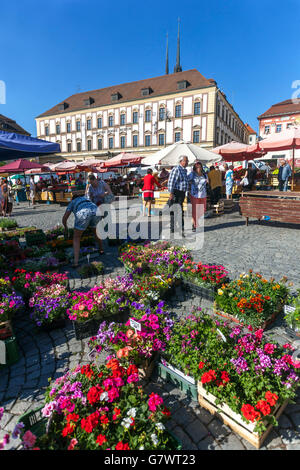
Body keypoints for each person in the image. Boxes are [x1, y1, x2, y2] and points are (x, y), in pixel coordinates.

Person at [62, 195, 104, 267]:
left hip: (83, 214)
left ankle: (76, 262)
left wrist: (65, 227)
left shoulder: (72, 202)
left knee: (76, 237)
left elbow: (65, 218)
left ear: (72, 199)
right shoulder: (86, 199)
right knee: (96, 232)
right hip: (96, 211)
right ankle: (101, 249)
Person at [167, 155, 189, 235]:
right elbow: (171, 182)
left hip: (182, 193)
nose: (187, 162)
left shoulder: (184, 170)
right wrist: (171, 193)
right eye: (186, 161)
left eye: (187, 161)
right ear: (181, 161)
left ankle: (175, 227)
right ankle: (177, 227)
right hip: (176, 192)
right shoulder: (176, 169)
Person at [188, 161, 208, 231]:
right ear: (195, 168)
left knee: (203, 210)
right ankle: (194, 225)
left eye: (200, 167)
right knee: (195, 211)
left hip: (203, 194)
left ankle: (196, 222)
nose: (199, 168)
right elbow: (187, 181)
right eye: (197, 167)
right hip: (195, 195)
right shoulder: (192, 174)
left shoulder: (205, 175)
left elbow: (207, 182)